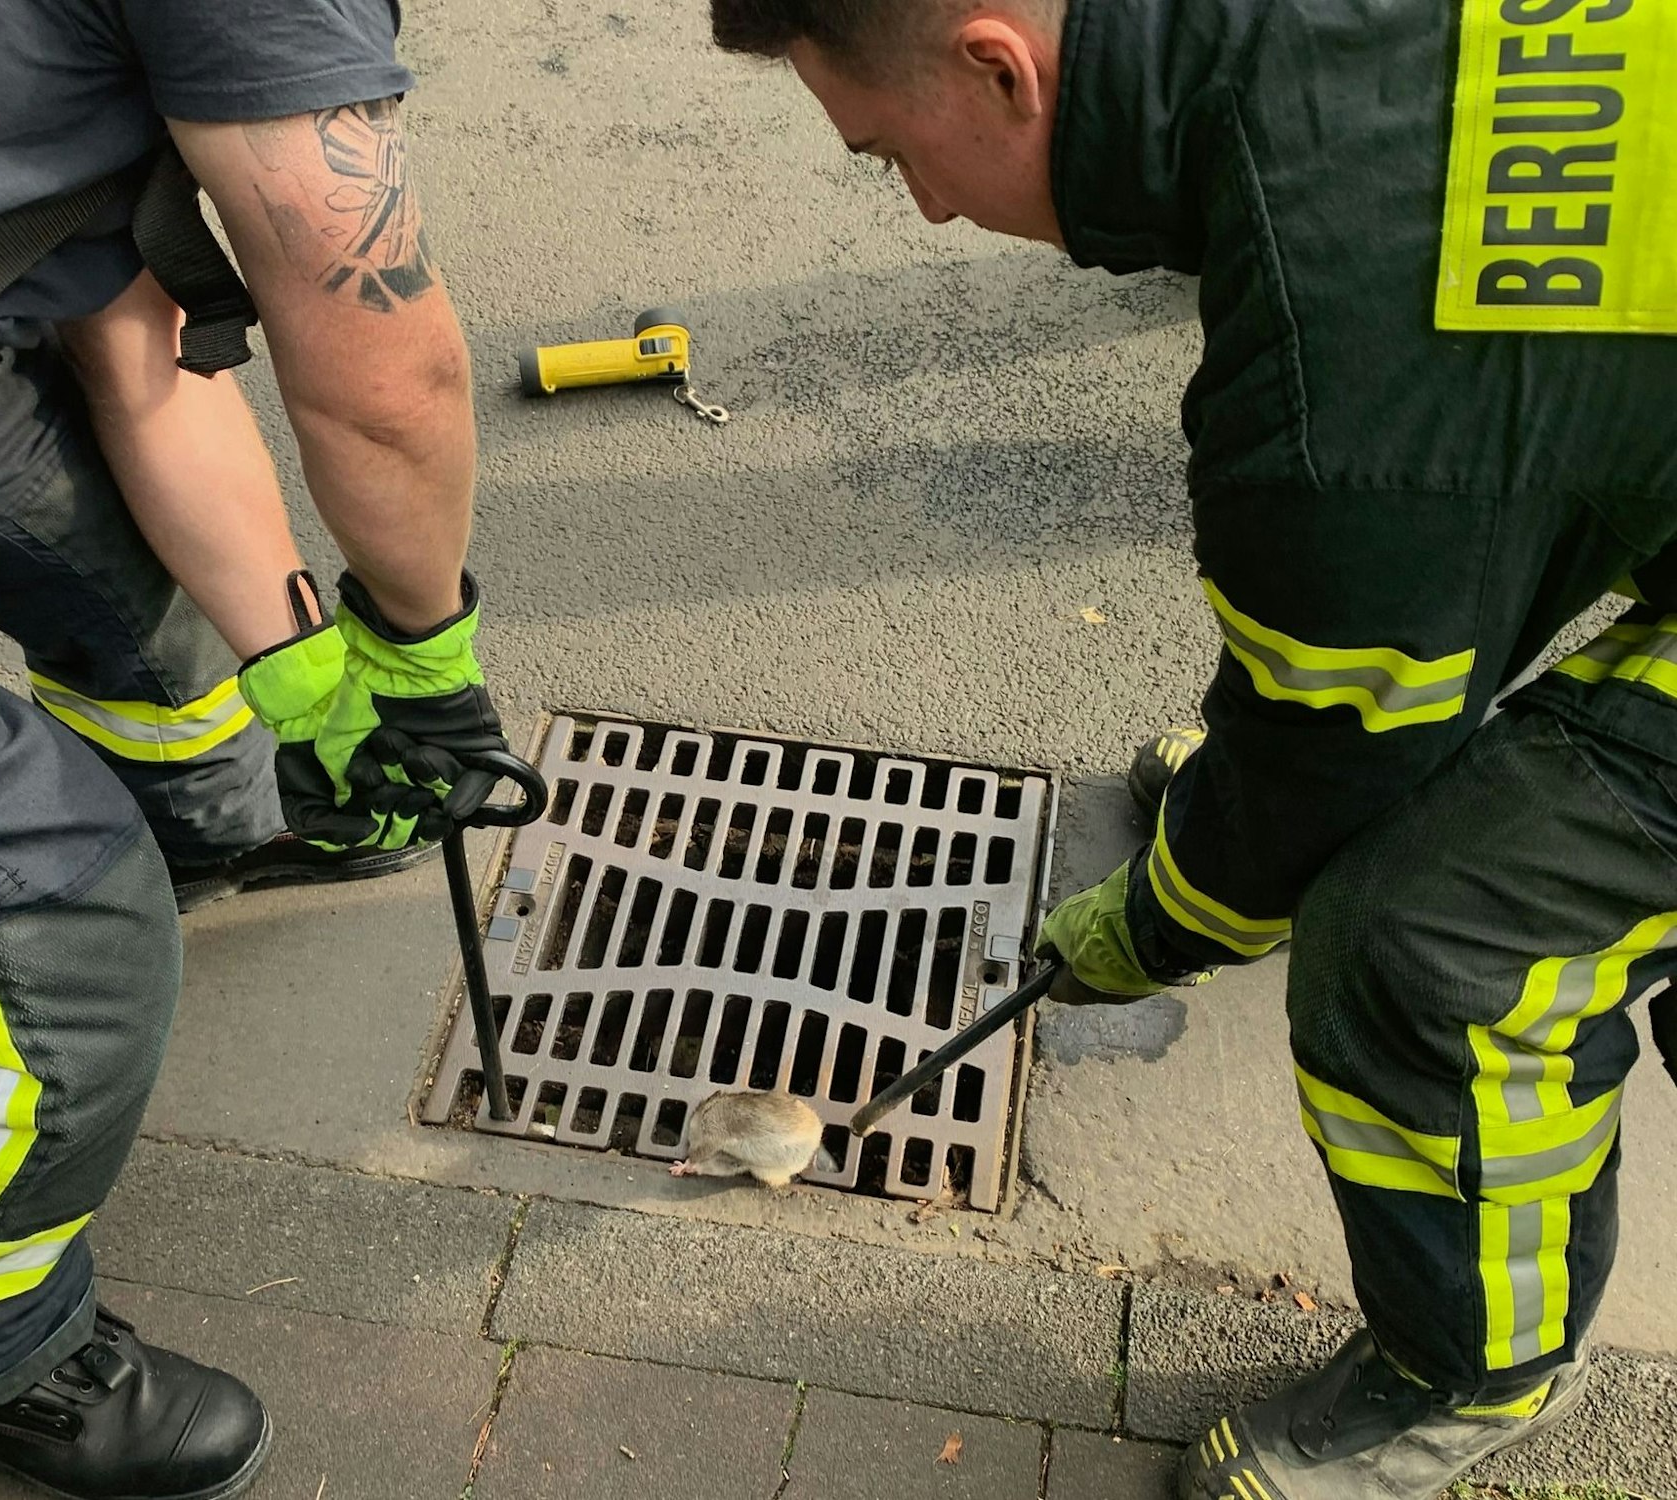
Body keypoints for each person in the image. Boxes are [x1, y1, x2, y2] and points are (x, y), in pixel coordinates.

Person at [706, 1, 1676, 1496]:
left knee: (1425, 939)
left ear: (996, 62)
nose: (930, 205)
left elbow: (1346, 739)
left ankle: (1476, 1369)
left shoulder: (1329, 363)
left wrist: (1174, 910)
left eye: (894, 153)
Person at [0, 2, 511, 1496]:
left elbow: (132, 359)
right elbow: (388, 378)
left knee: (146, 593)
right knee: (56, 941)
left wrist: (315, 675)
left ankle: (208, 822)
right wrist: (424, 646)